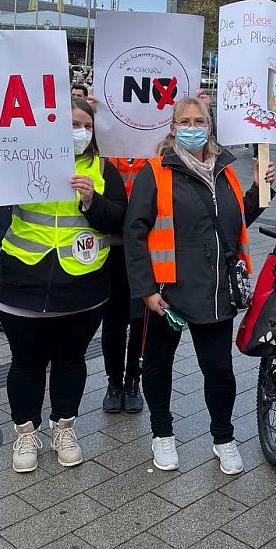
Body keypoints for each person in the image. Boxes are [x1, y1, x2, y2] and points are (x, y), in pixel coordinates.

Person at [0, 98, 126, 473]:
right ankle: (26, 432)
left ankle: (64, 428)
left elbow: (118, 219)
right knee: (26, 362)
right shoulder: (20, 161)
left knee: (71, 361)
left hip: (83, 286)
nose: (78, 131)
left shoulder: (104, 170)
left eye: (85, 125)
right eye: (70, 123)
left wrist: (92, 200)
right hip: (24, 280)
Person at [124, 96, 274, 475]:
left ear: (210, 126)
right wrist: (146, 289)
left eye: (200, 121)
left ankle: (223, 437)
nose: (193, 127)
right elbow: (134, 233)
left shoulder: (224, 171)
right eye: (185, 121)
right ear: (173, 127)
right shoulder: (154, 172)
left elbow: (232, 223)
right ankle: (162, 434)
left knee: (220, 370)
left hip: (214, 289)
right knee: (158, 364)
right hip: (166, 292)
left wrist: (257, 192)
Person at [100, 157, 149, 414]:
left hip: (144, 249)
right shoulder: (106, 157)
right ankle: (114, 382)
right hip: (112, 248)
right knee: (113, 322)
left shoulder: (152, 153)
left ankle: (133, 380)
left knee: (140, 319)